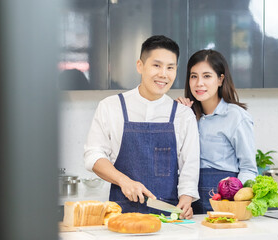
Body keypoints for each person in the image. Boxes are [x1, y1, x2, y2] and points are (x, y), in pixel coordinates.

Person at [84, 35, 200, 219]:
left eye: (170, 67)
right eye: (156, 65)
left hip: (168, 217)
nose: (163, 74)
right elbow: (93, 155)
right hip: (121, 215)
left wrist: (186, 198)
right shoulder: (111, 106)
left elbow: (190, 165)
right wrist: (124, 181)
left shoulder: (183, 115)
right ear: (140, 65)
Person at [176, 49, 258, 214]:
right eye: (194, 76)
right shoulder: (185, 114)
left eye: (207, 76)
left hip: (223, 199)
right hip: (187, 199)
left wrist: (233, 199)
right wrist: (180, 118)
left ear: (220, 80)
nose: (199, 83)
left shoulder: (236, 116)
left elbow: (249, 168)